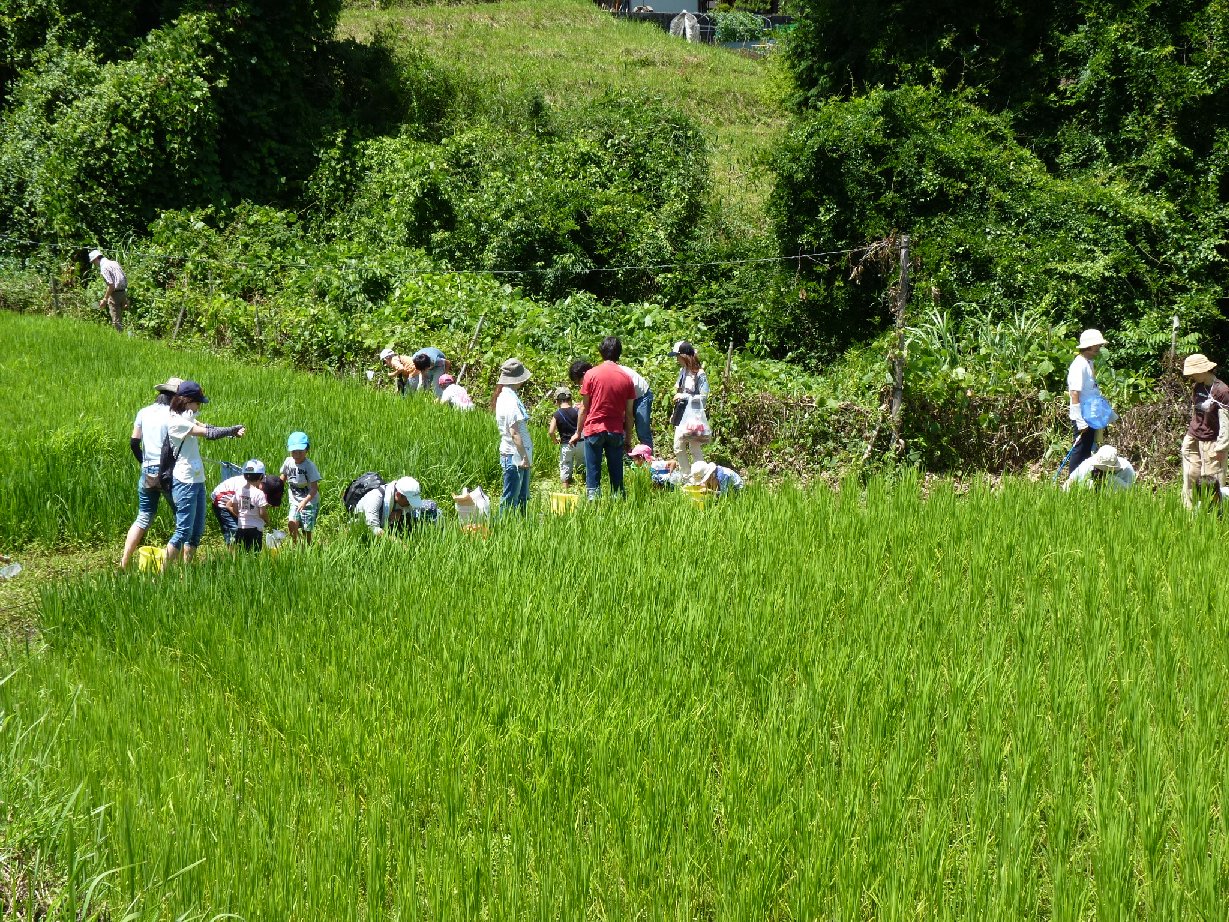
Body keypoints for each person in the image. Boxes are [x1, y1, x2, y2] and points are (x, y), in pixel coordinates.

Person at [163, 381, 246, 565]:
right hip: (185, 481)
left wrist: (232, 433)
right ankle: (163, 575)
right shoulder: (177, 422)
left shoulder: (188, 416)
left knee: (197, 530)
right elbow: (208, 433)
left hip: (197, 478)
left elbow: (210, 427)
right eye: (198, 402)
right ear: (187, 401)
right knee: (183, 531)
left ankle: (186, 571)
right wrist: (232, 429)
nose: (199, 406)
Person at [119, 376, 181, 569]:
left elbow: (134, 443)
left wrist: (145, 463)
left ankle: (124, 562)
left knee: (144, 516)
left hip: (147, 471)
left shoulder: (143, 412)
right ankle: (176, 565)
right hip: (169, 473)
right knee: (182, 516)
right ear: (175, 397)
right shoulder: (174, 415)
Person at [571, 338, 636, 500]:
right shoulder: (627, 378)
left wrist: (577, 432)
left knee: (593, 475)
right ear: (619, 353)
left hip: (594, 429)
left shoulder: (591, 375)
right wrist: (628, 437)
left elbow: (584, 408)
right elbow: (629, 414)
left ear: (601, 352)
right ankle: (618, 504)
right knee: (616, 475)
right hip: (615, 431)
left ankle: (594, 507)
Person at [1180, 353, 1229, 509]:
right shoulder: (1198, 386)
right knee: (1190, 476)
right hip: (1194, 436)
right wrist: (1188, 438)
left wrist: (1222, 446)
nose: (1192, 376)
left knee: (1211, 479)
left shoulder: (1221, 391)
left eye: (1194, 373)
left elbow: (1225, 421)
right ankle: (1189, 512)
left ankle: (1214, 515)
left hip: (1212, 440)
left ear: (1203, 370)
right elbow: (1196, 413)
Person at [493, 358, 534, 513]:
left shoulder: (508, 396)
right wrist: (523, 456)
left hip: (518, 454)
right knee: (510, 499)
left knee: (522, 497)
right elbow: (514, 432)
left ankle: (521, 528)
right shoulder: (509, 400)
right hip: (514, 455)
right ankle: (504, 528)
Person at [1067, 329, 1108, 475]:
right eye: (1096, 345)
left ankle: (1083, 480)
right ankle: (1072, 481)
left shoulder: (1088, 363)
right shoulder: (1079, 365)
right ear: (1088, 346)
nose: (1099, 348)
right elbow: (1074, 393)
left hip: (1091, 414)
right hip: (1083, 416)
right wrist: (1079, 420)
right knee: (1080, 449)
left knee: (1088, 450)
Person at [670, 341, 710, 479]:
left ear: (684, 356)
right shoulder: (682, 371)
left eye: (678, 356)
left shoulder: (700, 374)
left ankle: (702, 477)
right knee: (678, 446)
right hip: (681, 415)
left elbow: (704, 397)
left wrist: (684, 395)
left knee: (694, 448)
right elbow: (678, 388)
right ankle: (686, 476)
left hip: (694, 417)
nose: (677, 359)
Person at [355, 476, 434, 536]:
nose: (410, 504)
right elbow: (373, 528)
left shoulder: (401, 497)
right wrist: (397, 543)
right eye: (409, 501)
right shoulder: (375, 497)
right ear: (398, 495)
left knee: (430, 508)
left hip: (389, 522)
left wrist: (401, 512)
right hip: (365, 527)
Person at [280, 431, 322, 544]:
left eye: (300, 452)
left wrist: (304, 502)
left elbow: (314, 488)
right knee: (292, 522)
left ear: (307, 450)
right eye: (294, 452)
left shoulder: (309, 466)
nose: (296, 455)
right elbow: (283, 477)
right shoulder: (288, 462)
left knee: (307, 528)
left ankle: (308, 545)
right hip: (294, 500)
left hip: (309, 501)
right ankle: (295, 544)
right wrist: (277, 490)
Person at [227, 460, 269, 552]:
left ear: (245, 476)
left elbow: (234, 508)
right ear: (261, 476)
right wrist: (268, 521)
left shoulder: (239, 491)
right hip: (255, 529)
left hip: (241, 527)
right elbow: (262, 513)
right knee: (254, 554)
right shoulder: (259, 493)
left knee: (242, 553)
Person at [1063, 444, 1136, 491]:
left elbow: (1130, 490)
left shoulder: (1127, 469)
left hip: (1117, 497)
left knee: (1111, 480)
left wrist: (1107, 479)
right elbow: (1071, 481)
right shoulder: (1088, 464)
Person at [618, 361, 654, 452]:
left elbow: (629, 415)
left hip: (642, 396)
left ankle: (647, 456)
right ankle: (626, 455)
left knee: (642, 428)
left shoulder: (623, 377)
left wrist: (628, 440)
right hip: (626, 395)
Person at [88, 249, 127, 332]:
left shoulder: (104, 267)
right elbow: (123, 277)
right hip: (123, 291)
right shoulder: (114, 263)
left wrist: (105, 299)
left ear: (96, 259)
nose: (94, 264)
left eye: (93, 262)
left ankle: (120, 338)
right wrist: (125, 297)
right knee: (122, 316)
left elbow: (111, 286)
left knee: (116, 320)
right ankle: (125, 335)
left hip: (115, 294)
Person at [549, 387, 580, 487]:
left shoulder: (557, 414)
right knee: (583, 466)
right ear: (570, 399)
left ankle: (565, 487)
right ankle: (584, 487)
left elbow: (551, 431)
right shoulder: (577, 411)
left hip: (566, 444)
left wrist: (555, 440)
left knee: (565, 465)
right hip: (580, 442)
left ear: (557, 401)